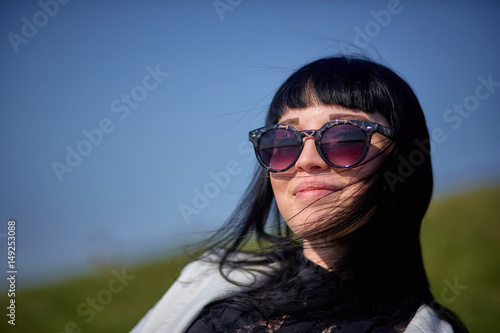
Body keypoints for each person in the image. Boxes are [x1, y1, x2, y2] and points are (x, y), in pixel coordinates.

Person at [131, 56, 468, 332]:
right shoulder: (204, 282)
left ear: (405, 159)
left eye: (345, 138)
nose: (306, 161)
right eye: (283, 142)